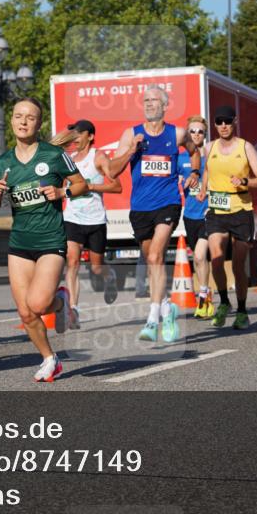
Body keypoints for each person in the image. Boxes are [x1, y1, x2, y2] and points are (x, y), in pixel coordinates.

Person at [0, 98, 87, 381]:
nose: (23, 121)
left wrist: (62, 193)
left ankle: (60, 303)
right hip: (20, 243)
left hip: (50, 240)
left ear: (38, 123)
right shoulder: (3, 162)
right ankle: (49, 358)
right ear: (11, 121)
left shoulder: (53, 155)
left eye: (30, 117)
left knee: (39, 304)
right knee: (25, 312)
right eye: (18, 116)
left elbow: (81, 184)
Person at [107, 84, 199, 342]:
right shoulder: (131, 134)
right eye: (146, 100)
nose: (149, 104)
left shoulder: (177, 133)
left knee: (157, 254)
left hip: (168, 202)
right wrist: (131, 150)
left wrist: (193, 172)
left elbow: (194, 152)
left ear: (164, 105)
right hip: (140, 208)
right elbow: (112, 171)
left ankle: (152, 319)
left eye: (154, 100)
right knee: (152, 260)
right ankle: (168, 307)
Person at [199, 106, 257, 329]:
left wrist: (245, 182)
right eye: (219, 122)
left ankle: (241, 309)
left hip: (241, 210)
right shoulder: (209, 147)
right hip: (217, 211)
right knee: (217, 259)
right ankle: (223, 302)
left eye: (227, 121)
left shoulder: (245, 147)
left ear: (234, 122)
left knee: (238, 267)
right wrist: (202, 188)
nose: (223, 126)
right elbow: (207, 171)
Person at [61, 119, 121, 329]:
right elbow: (62, 189)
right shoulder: (67, 159)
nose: (74, 138)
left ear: (90, 136)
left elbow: (116, 186)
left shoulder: (99, 157)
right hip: (73, 218)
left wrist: (90, 186)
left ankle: (109, 276)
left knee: (96, 267)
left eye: (78, 133)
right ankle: (74, 309)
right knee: (73, 262)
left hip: (95, 220)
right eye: (72, 134)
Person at [178, 115, 212, 318]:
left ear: (205, 135)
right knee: (199, 260)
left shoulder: (211, 156)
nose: (197, 134)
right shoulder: (180, 158)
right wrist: (181, 182)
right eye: (193, 131)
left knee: (200, 255)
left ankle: (203, 297)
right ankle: (207, 291)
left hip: (210, 213)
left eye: (200, 131)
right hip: (190, 215)